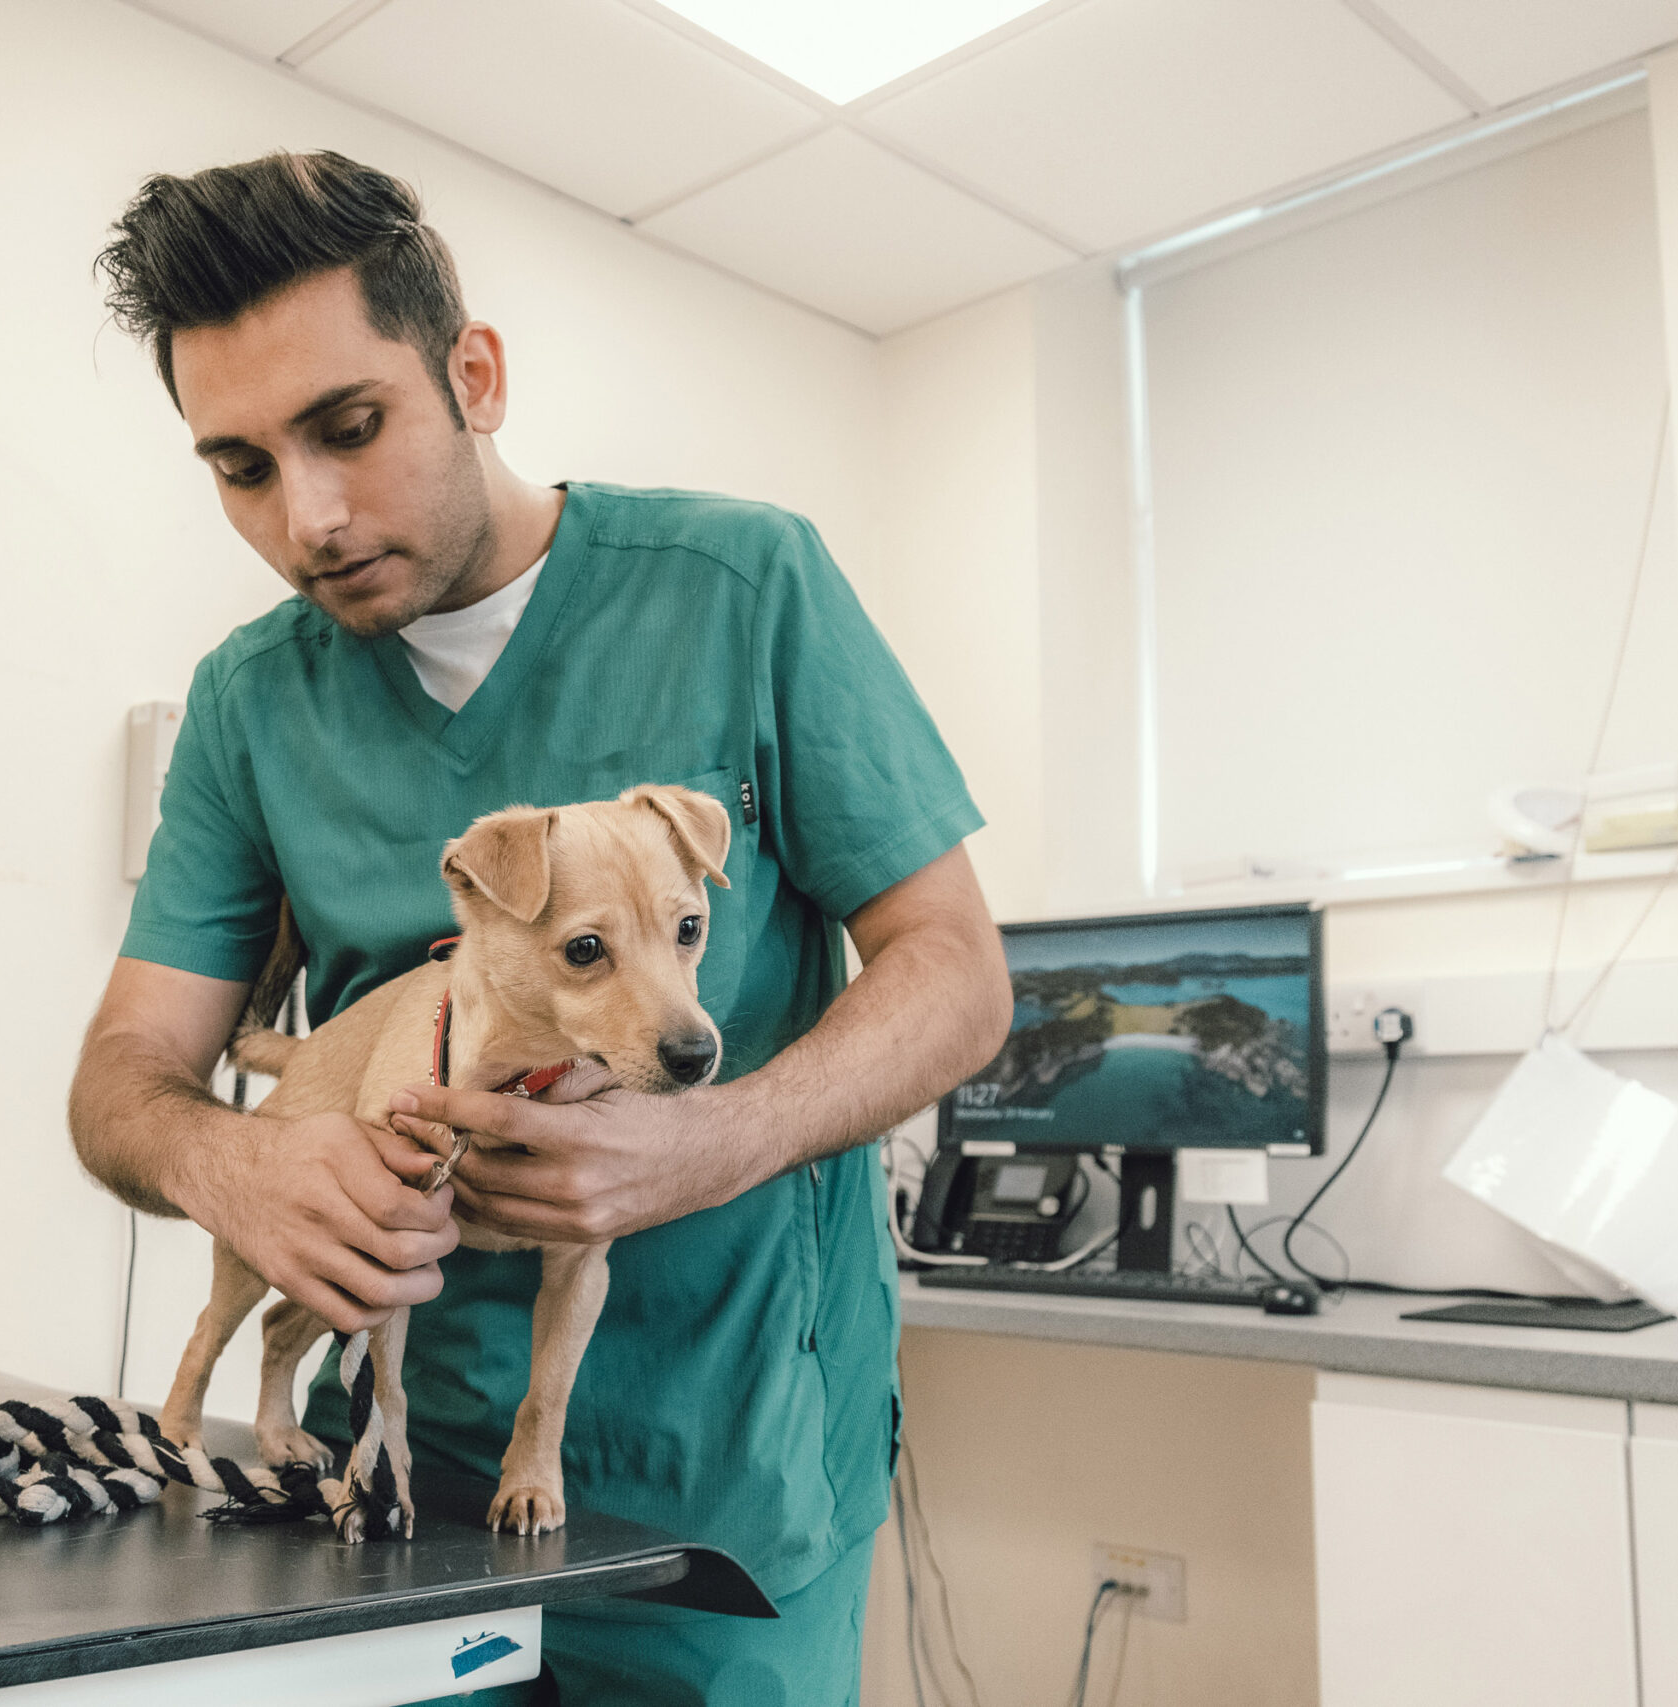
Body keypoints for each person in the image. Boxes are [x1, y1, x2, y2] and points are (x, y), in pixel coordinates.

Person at [67, 149, 1011, 1707]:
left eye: (349, 428)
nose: (307, 517)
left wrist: (707, 1143)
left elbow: (962, 976)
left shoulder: (743, 588)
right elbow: (124, 1075)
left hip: (728, 1459)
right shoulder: (251, 704)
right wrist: (229, 1160)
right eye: (239, 468)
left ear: (475, 374)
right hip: (387, 1488)